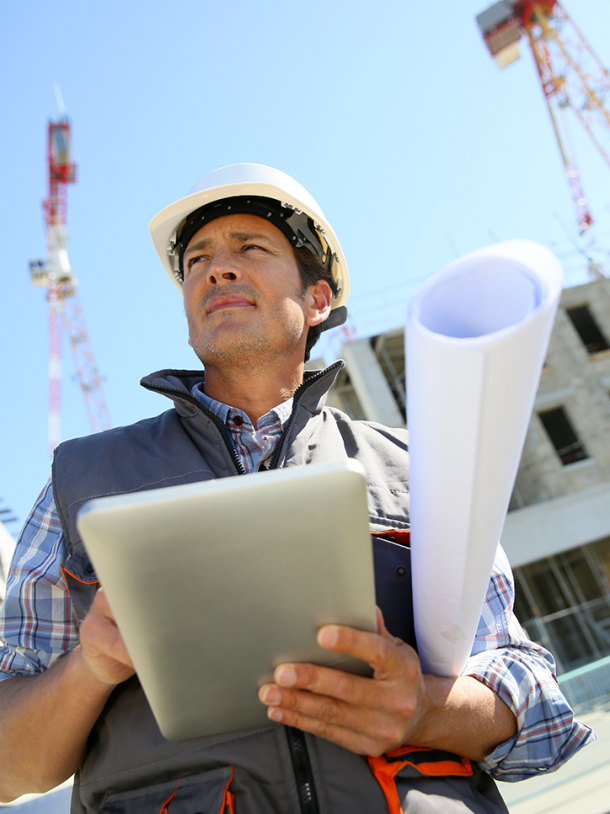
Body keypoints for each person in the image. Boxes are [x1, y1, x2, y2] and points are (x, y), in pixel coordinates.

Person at [0, 164, 594, 814]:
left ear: (317, 301)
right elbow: (9, 768)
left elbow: (538, 711)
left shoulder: (417, 468)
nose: (214, 270)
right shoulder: (80, 483)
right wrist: (89, 667)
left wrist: (427, 712)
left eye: (248, 248)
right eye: (197, 260)